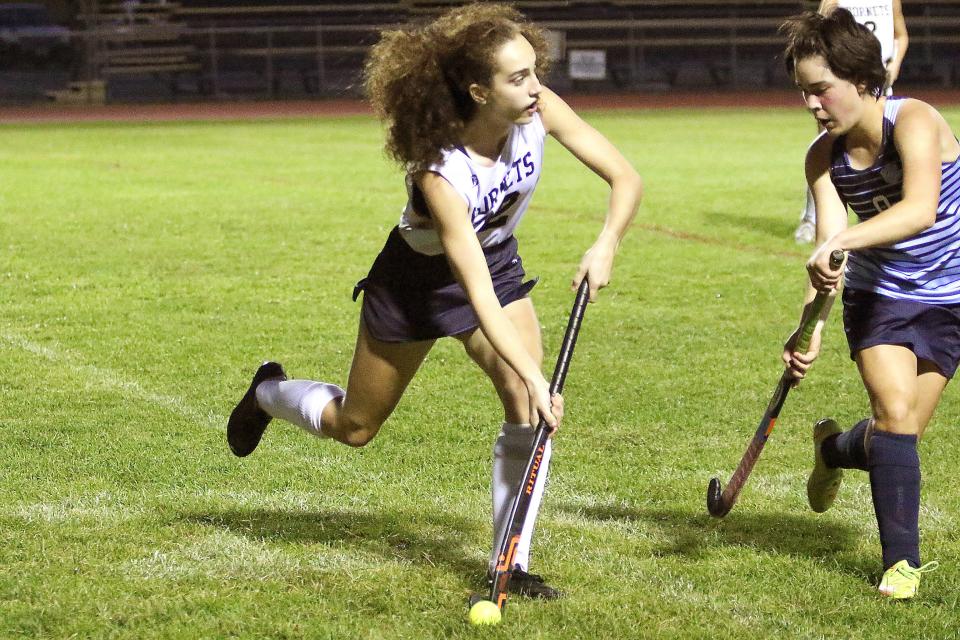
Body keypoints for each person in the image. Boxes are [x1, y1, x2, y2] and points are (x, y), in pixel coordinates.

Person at [225, 3, 642, 599]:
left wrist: (607, 243)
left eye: (533, 70)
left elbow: (625, 178)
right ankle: (268, 391)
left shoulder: (541, 110)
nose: (535, 86)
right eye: (516, 77)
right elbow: (473, 295)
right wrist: (536, 374)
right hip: (418, 283)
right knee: (356, 427)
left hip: (495, 262)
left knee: (525, 404)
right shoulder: (440, 174)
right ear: (478, 90)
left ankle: (510, 565)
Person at [780, 8, 956, 599]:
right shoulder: (822, 158)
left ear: (860, 79)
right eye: (804, 93)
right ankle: (901, 565)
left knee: (895, 434)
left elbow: (920, 209)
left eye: (821, 90)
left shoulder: (916, 120)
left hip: (950, 296)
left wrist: (841, 240)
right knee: (897, 416)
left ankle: (831, 450)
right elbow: (829, 259)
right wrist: (810, 329)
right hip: (880, 295)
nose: (812, 105)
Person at [794, 0, 908, 244]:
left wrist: (895, 65)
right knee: (829, 154)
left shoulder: (913, 119)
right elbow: (817, 38)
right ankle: (811, 218)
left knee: (884, 151)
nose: (809, 105)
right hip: (841, 84)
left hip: (869, 79)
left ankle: (872, 215)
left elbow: (901, 35)